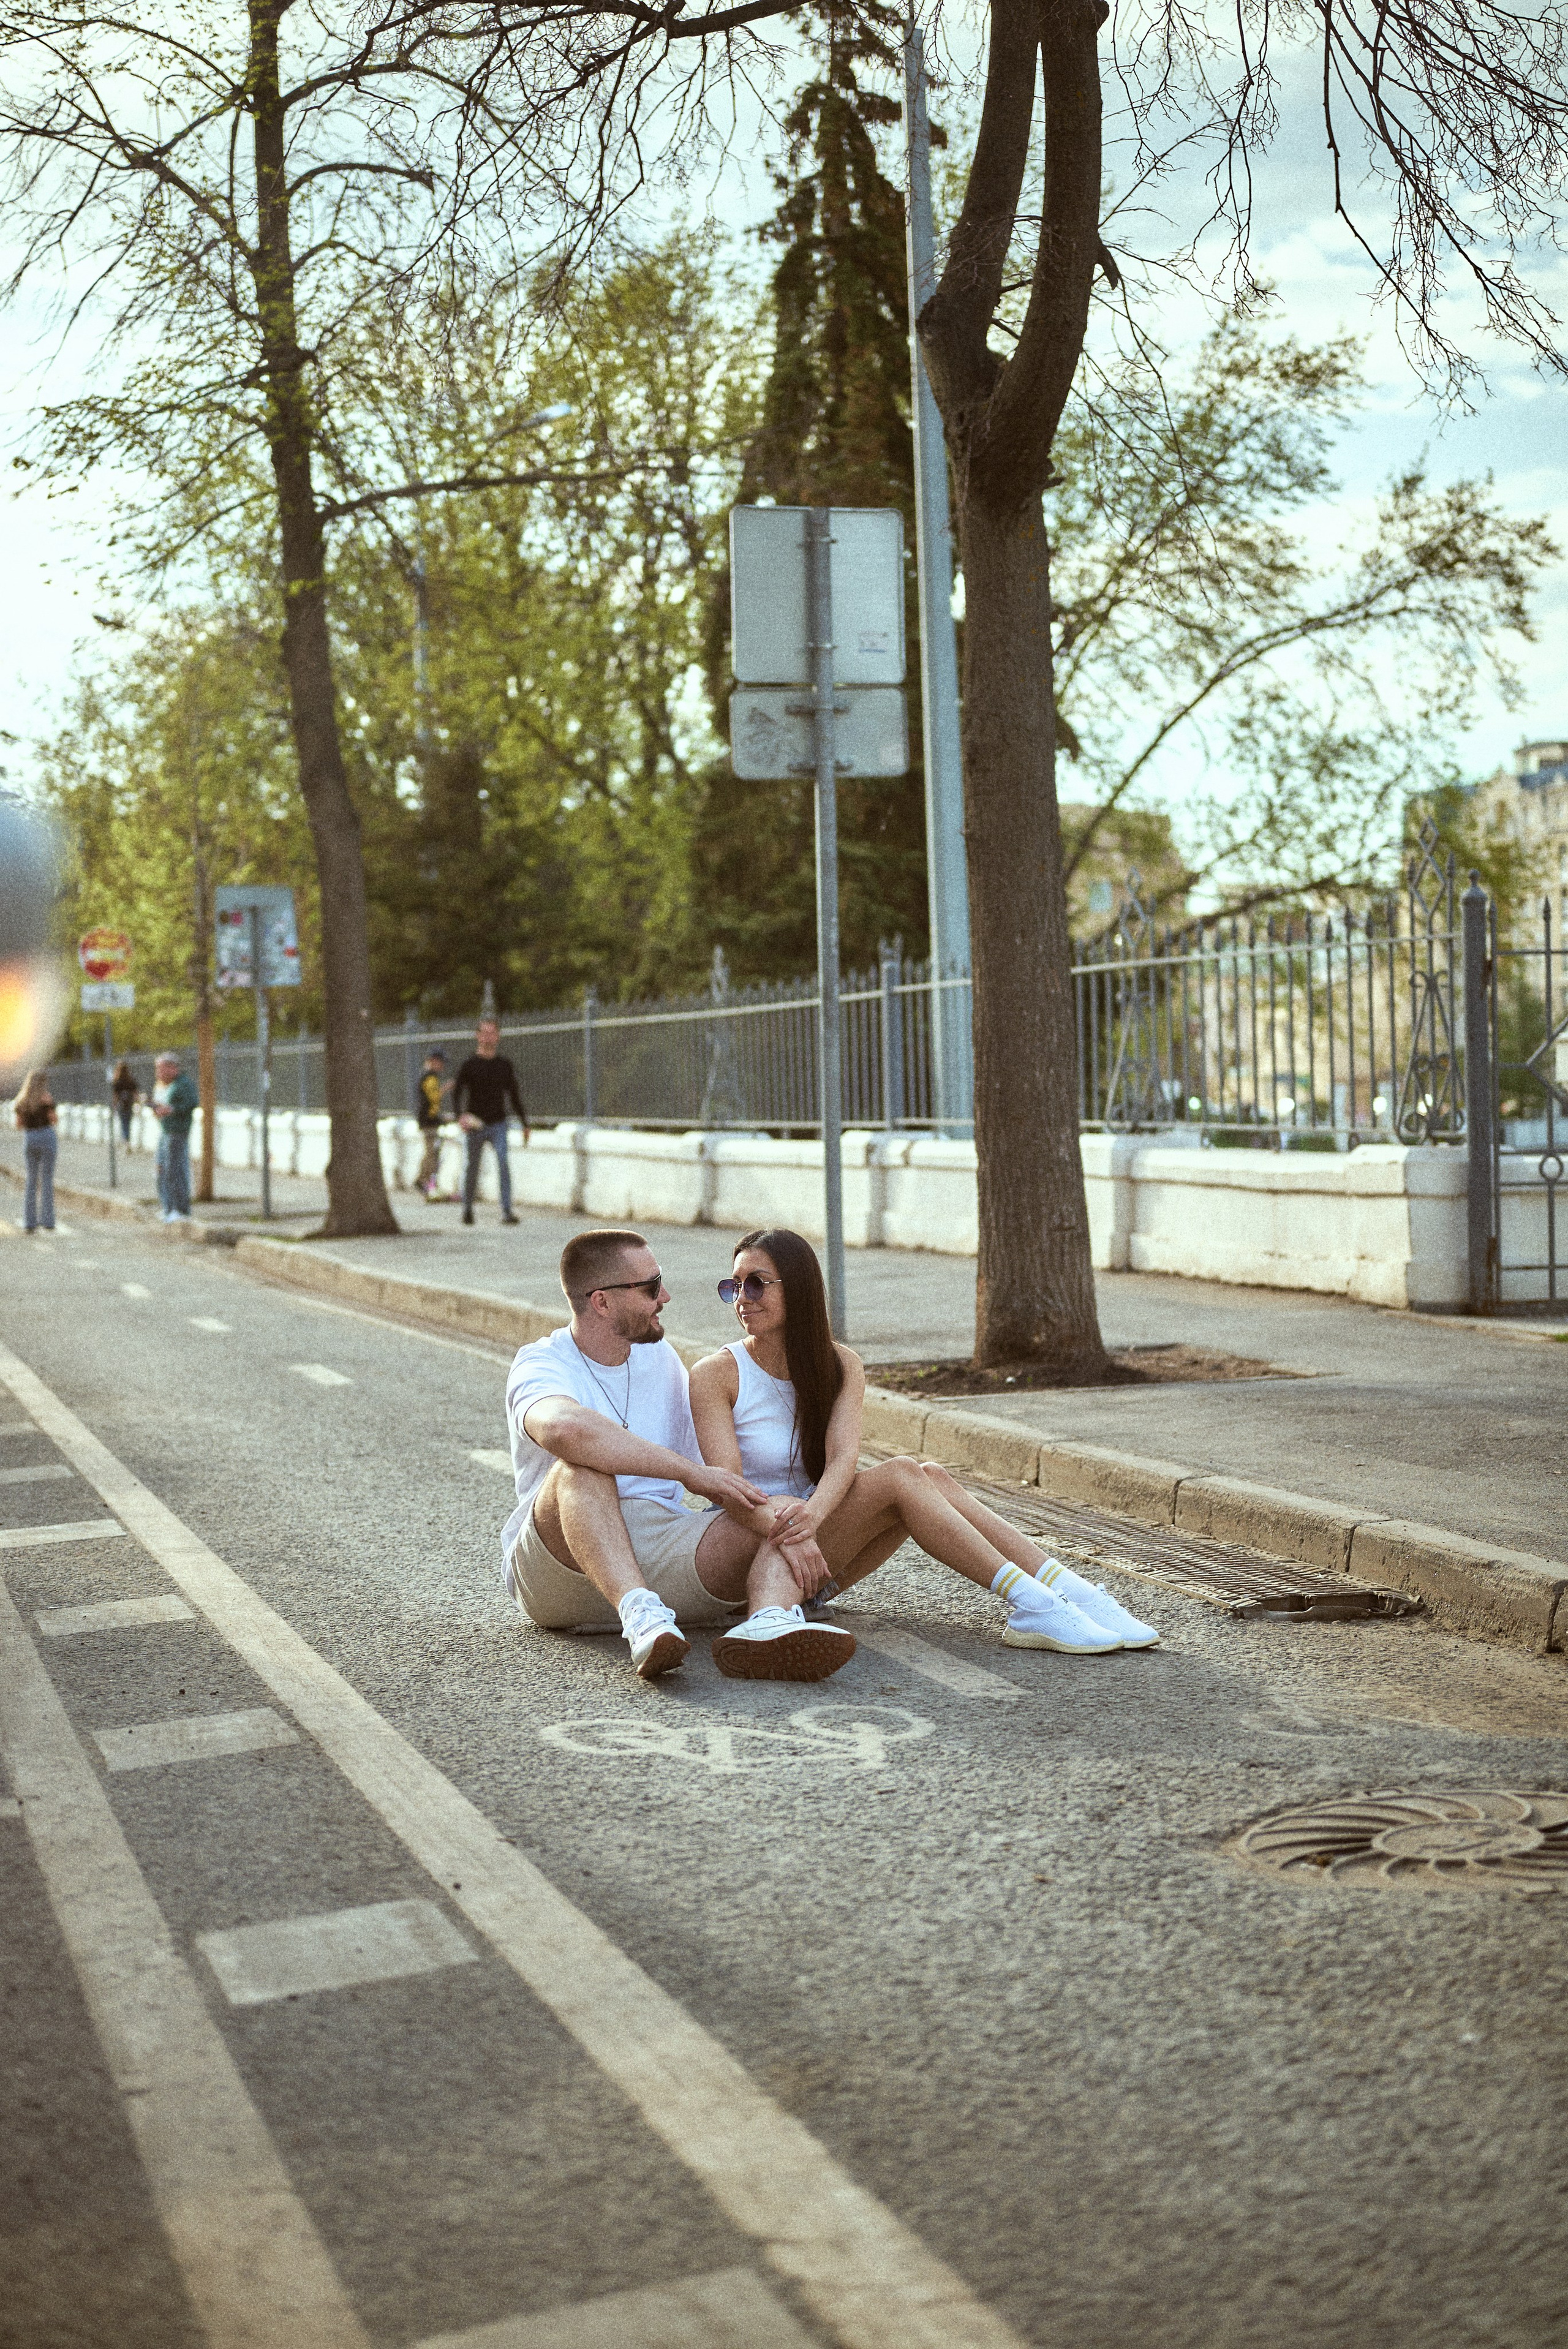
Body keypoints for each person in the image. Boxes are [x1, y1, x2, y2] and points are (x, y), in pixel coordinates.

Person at [688, 1227, 1160, 1664]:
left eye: (756, 1284)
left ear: (800, 1288)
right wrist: (797, 1527)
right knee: (900, 1475)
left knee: (929, 1476)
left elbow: (842, 1460)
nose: (741, 1299)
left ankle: (1070, 1593)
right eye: (733, 1286)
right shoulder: (716, 1373)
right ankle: (1032, 1602)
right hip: (748, 1552)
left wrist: (812, 1517)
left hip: (811, 1548)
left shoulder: (840, 1364)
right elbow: (729, 1490)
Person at [502, 1227, 858, 1681]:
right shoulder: (542, 1362)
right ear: (602, 1301)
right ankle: (640, 1615)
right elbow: (565, 1428)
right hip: (560, 1562)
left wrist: (792, 1525)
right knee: (581, 1469)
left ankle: (769, 1618)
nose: (665, 1296)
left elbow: (725, 1474)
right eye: (650, 1287)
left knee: (784, 1509)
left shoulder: (662, 1360)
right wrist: (691, 1474)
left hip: (662, 1546)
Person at [453, 1017, 529, 1227]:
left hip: (498, 1123)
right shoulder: (470, 1064)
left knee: (503, 1162)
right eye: (484, 1033)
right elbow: (457, 1092)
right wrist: (460, 1115)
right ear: (478, 1036)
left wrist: (525, 1122)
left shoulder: (504, 1065)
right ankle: (467, 1208)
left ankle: (506, 1210)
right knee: (471, 1167)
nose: (488, 1037)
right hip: (475, 1123)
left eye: (492, 1033)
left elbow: (514, 1095)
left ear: (498, 1036)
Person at [148, 1050, 198, 1222]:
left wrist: (172, 1110)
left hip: (177, 1133)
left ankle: (180, 1209)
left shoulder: (182, 1084)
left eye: (161, 1069)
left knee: (175, 1171)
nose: (158, 1073)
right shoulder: (166, 1086)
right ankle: (168, 1207)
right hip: (166, 1132)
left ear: (172, 1068)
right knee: (162, 1170)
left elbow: (191, 1103)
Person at [13, 1069, 58, 1233]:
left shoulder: (22, 1101)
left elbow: (18, 1125)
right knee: (47, 1180)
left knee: (31, 1180)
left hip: (30, 1138)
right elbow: (54, 1120)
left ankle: (30, 1223)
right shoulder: (46, 1098)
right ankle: (48, 1221)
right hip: (47, 1136)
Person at [413, 1047, 450, 1198]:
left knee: (432, 1152)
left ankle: (426, 1181)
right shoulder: (430, 1078)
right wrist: (445, 1089)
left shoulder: (427, 1077)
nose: (442, 1066)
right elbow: (433, 1099)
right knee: (431, 1153)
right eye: (441, 1063)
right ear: (434, 1061)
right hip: (429, 1122)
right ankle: (423, 1181)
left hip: (428, 1120)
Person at [110, 1058, 140, 1144]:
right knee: (128, 1123)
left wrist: (114, 1105)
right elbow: (135, 1094)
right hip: (129, 1104)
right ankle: (128, 1139)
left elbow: (115, 1096)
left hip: (121, 1104)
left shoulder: (117, 1081)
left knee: (123, 1123)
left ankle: (125, 1140)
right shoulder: (131, 1080)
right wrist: (137, 1103)